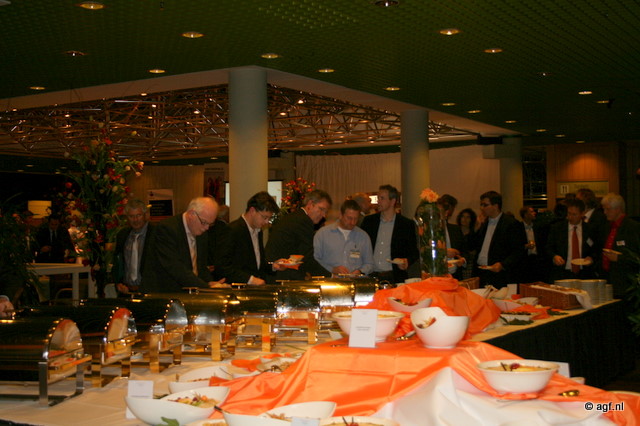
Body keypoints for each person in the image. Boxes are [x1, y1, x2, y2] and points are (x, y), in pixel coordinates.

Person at [142, 197, 227, 293]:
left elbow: (200, 266)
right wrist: (206, 287)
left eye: (210, 224)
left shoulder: (201, 232)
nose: (207, 228)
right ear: (191, 214)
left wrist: (211, 282)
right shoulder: (167, 229)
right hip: (162, 293)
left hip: (187, 292)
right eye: (204, 222)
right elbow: (175, 268)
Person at [265, 189, 332, 281]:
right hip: (282, 276)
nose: (324, 215)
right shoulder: (303, 221)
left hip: (276, 274)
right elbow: (307, 257)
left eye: (326, 212)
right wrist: (330, 276)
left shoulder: (296, 217)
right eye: (321, 209)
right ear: (310, 204)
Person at [361, 184, 419, 283]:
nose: (378, 201)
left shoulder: (405, 224)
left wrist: (406, 261)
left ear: (392, 201)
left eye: (382, 198)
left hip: (394, 276)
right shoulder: (369, 221)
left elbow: (414, 252)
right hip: (371, 276)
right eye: (378, 198)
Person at [224, 191, 282, 285]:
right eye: (264, 217)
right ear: (252, 211)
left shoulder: (258, 231)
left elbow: (257, 265)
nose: (266, 222)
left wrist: (273, 266)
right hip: (238, 288)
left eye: (269, 218)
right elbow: (224, 267)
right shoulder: (233, 230)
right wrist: (250, 279)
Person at [472, 191, 527, 288]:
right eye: (481, 205)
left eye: (485, 205)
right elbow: (471, 246)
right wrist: (475, 229)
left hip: (501, 275)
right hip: (481, 273)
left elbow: (519, 251)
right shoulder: (483, 222)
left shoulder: (511, 223)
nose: (482, 208)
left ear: (496, 206)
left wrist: (503, 264)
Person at [313, 199, 374, 276]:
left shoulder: (363, 236)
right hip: (330, 280)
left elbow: (370, 264)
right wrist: (332, 269)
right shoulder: (323, 234)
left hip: (354, 281)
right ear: (340, 215)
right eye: (349, 218)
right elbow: (315, 260)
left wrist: (360, 271)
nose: (352, 222)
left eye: (355, 219)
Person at [545, 199, 598, 281]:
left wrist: (591, 258)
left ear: (582, 214)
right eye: (569, 213)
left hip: (584, 274)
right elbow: (548, 247)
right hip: (562, 273)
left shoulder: (590, 229)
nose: (570, 217)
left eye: (574, 214)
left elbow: (596, 249)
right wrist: (554, 256)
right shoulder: (557, 228)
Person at [599, 193, 640, 298]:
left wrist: (619, 258)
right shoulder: (607, 226)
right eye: (604, 209)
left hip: (627, 284)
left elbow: (637, 257)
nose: (605, 212)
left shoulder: (633, 227)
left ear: (618, 209)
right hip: (608, 280)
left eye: (608, 209)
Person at [112, 199, 154, 294]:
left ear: (146, 215)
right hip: (126, 291)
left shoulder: (156, 234)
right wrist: (118, 283)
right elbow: (118, 263)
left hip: (150, 292)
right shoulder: (122, 235)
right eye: (131, 216)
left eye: (138, 215)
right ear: (127, 217)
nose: (135, 220)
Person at [437, 194, 466, 279]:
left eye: (439, 211)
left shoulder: (455, 229)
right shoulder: (427, 232)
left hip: (455, 275)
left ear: (446, 213)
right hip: (437, 276)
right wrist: (443, 252)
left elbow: (464, 251)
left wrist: (462, 260)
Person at [517, 206, 547, 283]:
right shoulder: (518, 228)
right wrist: (525, 246)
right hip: (524, 261)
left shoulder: (538, 227)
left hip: (537, 260)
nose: (534, 213)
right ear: (525, 215)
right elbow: (515, 245)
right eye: (531, 212)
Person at [456, 208, 478, 280]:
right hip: (456, 261)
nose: (464, 219)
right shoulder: (455, 231)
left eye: (468, 217)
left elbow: (473, 249)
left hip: (469, 264)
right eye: (463, 216)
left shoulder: (474, 234)